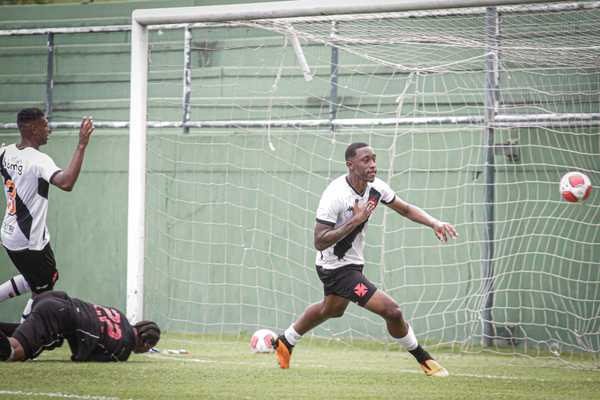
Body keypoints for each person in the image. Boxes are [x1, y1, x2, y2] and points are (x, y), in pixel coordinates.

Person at [272, 142, 458, 377]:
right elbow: (319, 241)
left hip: (353, 262)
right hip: (336, 268)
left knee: (331, 310)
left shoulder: (376, 188)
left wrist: (434, 222)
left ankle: (285, 341)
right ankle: (424, 359)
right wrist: (355, 220)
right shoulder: (335, 195)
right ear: (350, 165)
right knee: (392, 311)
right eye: (365, 160)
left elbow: (406, 209)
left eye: (374, 159)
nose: (372, 165)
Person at [0, 108, 94, 320]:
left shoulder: (6, 152)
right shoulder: (39, 159)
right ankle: (23, 337)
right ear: (32, 129)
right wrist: (81, 145)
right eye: (44, 125)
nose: (48, 129)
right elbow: (66, 182)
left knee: (35, 278)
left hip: (10, 233)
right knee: (43, 290)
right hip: (29, 238)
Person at [0, 290, 160, 362]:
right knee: (13, 352)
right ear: (146, 344)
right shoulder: (123, 350)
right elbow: (85, 355)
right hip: (58, 314)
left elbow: (91, 322)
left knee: (50, 339)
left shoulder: (120, 315)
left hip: (56, 299)